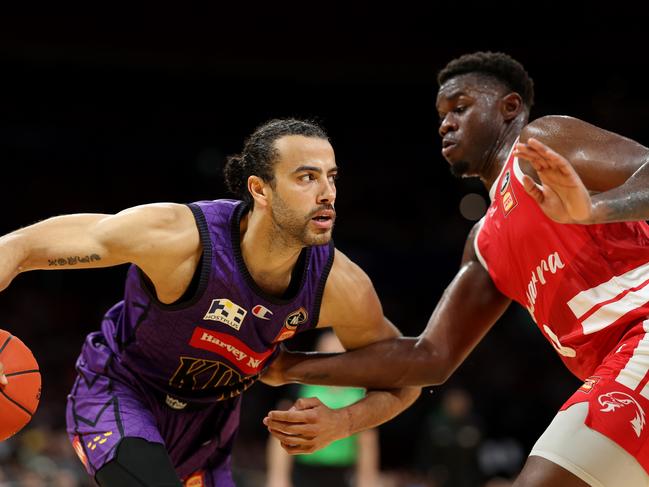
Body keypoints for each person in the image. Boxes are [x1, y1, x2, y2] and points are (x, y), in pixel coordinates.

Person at [263, 53, 649, 486]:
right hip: (613, 366)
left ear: (509, 108)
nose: (446, 123)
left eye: (460, 108)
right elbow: (429, 358)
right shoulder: (484, 243)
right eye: (441, 115)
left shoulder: (540, 145)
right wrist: (285, 364)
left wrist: (593, 210)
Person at [0, 118, 420, 487]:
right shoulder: (182, 238)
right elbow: (21, 246)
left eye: (331, 177)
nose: (327, 192)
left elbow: (408, 374)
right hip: (121, 391)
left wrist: (344, 422)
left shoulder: (338, 284)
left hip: (210, 424)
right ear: (260, 189)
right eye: (306, 177)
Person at [265, 330, 380, 487]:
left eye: (339, 355)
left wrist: (367, 480)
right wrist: (277, 478)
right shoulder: (302, 388)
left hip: (342, 473)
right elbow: (280, 431)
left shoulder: (359, 392)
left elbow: (367, 441)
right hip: (304, 471)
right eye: (327, 355)